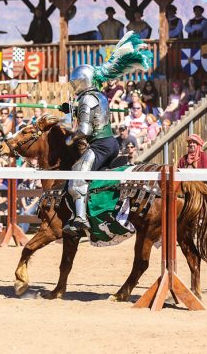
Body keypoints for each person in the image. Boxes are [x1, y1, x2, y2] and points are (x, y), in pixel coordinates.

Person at [62, 31, 151, 235]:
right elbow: (93, 116)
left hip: (100, 145)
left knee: (76, 178)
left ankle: (80, 219)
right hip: (110, 143)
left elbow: (84, 130)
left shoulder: (86, 99)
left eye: (75, 82)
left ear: (82, 81)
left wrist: (69, 138)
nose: (74, 85)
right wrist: (71, 110)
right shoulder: (99, 96)